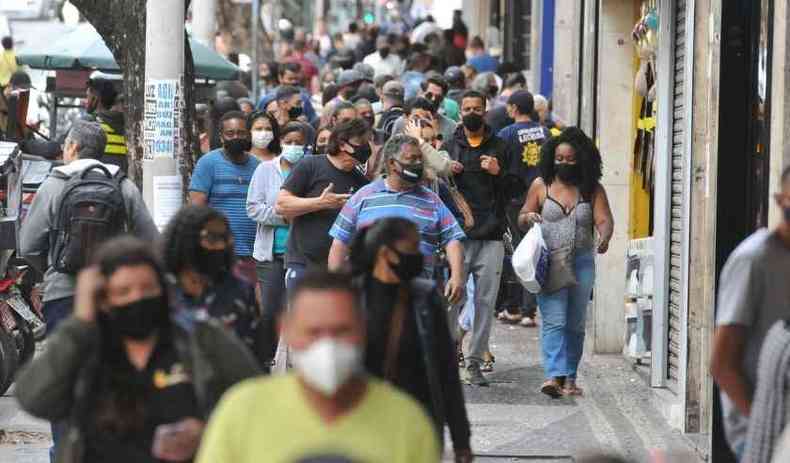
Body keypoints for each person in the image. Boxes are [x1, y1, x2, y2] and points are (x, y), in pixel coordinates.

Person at [16, 236, 260, 463]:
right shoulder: (84, 348)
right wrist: (80, 323)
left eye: (147, 288)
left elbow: (257, 405)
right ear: (103, 299)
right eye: (124, 292)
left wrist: (208, 431)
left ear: (163, 290)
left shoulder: (202, 339)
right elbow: (34, 399)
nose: (138, 298)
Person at [195, 271, 440, 463]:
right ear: (285, 330)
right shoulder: (240, 412)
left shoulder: (407, 422)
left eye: (341, 331)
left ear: (364, 329)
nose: (327, 346)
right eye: (313, 332)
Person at [348, 218, 473, 462]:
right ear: (387, 254)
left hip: (417, 424)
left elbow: (447, 372)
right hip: (361, 425)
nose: (419, 256)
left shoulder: (426, 299)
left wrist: (462, 441)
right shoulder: (349, 297)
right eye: (412, 249)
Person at [20, 120, 158, 334]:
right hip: (113, 293)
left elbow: (28, 246)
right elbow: (151, 241)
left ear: (73, 146)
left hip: (62, 296)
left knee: (67, 365)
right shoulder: (124, 186)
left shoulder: (53, 185)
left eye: (65, 144)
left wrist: (55, 264)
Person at [518, 127, 614, 398]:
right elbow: (523, 213)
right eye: (559, 158)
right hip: (550, 261)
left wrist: (604, 237)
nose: (563, 163)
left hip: (581, 260)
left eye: (570, 159)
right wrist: (529, 218)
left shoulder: (592, 189)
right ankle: (553, 375)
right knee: (554, 320)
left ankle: (569, 377)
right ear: (551, 158)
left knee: (575, 323)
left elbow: (604, 219)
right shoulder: (541, 185)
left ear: (582, 159)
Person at [710, 166, 790, 460]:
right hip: (761, 436)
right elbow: (721, 364)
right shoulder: (754, 260)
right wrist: (762, 427)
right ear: (781, 200)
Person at [327, 135, 465, 300]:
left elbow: (453, 239)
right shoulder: (363, 196)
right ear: (392, 163)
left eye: (420, 159)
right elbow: (339, 242)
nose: (418, 164)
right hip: (369, 298)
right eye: (411, 159)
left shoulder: (432, 200)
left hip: (416, 296)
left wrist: (456, 276)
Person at [444, 90, 509, 386]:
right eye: (467, 108)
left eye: (477, 108)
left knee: (485, 302)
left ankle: (474, 361)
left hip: (491, 236)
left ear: (485, 111)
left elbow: (516, 189)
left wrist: (499, 173)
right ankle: (449, 351)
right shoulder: (448, 147)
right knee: (453, 298)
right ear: (460, 113)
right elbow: (438, 191)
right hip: (458, 237)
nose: (472, 113)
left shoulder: (500, 146)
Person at [275, 119, 370, 293]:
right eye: (361, 143)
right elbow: (281, 204)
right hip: (304, 263)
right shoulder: (310, 165)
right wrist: (320, 202)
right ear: (342, 144)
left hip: (339, 268)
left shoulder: (361, 181)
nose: (366, 148)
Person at [163, 206, 265, 366]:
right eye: (212, 239)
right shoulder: (160, 291)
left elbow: (254, 354)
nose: (220, 246)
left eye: (226, 238)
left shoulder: (239, 291)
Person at [247, 126, 308, 369]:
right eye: (289, 141)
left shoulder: (309, 169)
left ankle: (296, 362)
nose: (294, 146)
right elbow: (253, 207)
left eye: (299, 142)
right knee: (271, 309)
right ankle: (267, 360)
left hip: (301, 253)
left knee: (299, 308)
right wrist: (284, 216)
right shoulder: (265, 170)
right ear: (282, 142)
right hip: (271, 252)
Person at [497, 90, 550, 327]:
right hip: (542, 199)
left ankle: (516, 307)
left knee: (518, 252)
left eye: (509, 107)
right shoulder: (546, 133)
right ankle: (530, 310)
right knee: (537, 250)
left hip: (516, 201)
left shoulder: (506, 134)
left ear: (515, 108)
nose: (507, 110)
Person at [189, 111, 260, 262]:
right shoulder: (208, 163)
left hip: (253, 253)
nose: (236, 137)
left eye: (241, 133)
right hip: (217, 252)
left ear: (248, 135)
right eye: (230, 133)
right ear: (221, 137)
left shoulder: (258, 166)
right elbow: (196, 211)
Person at [83, 75, 128, 172]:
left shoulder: (89, 124)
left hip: (98, 180)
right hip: (122, 181)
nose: (85, 101)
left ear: (95, 98)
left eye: (87, 96)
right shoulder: (128, 125)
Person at [392, 96, 456, 145]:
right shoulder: (398, 136)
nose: (421, 123)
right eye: (416, 118)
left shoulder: (431, 139)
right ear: (405, 117)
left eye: (426, 118)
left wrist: (437, 134)